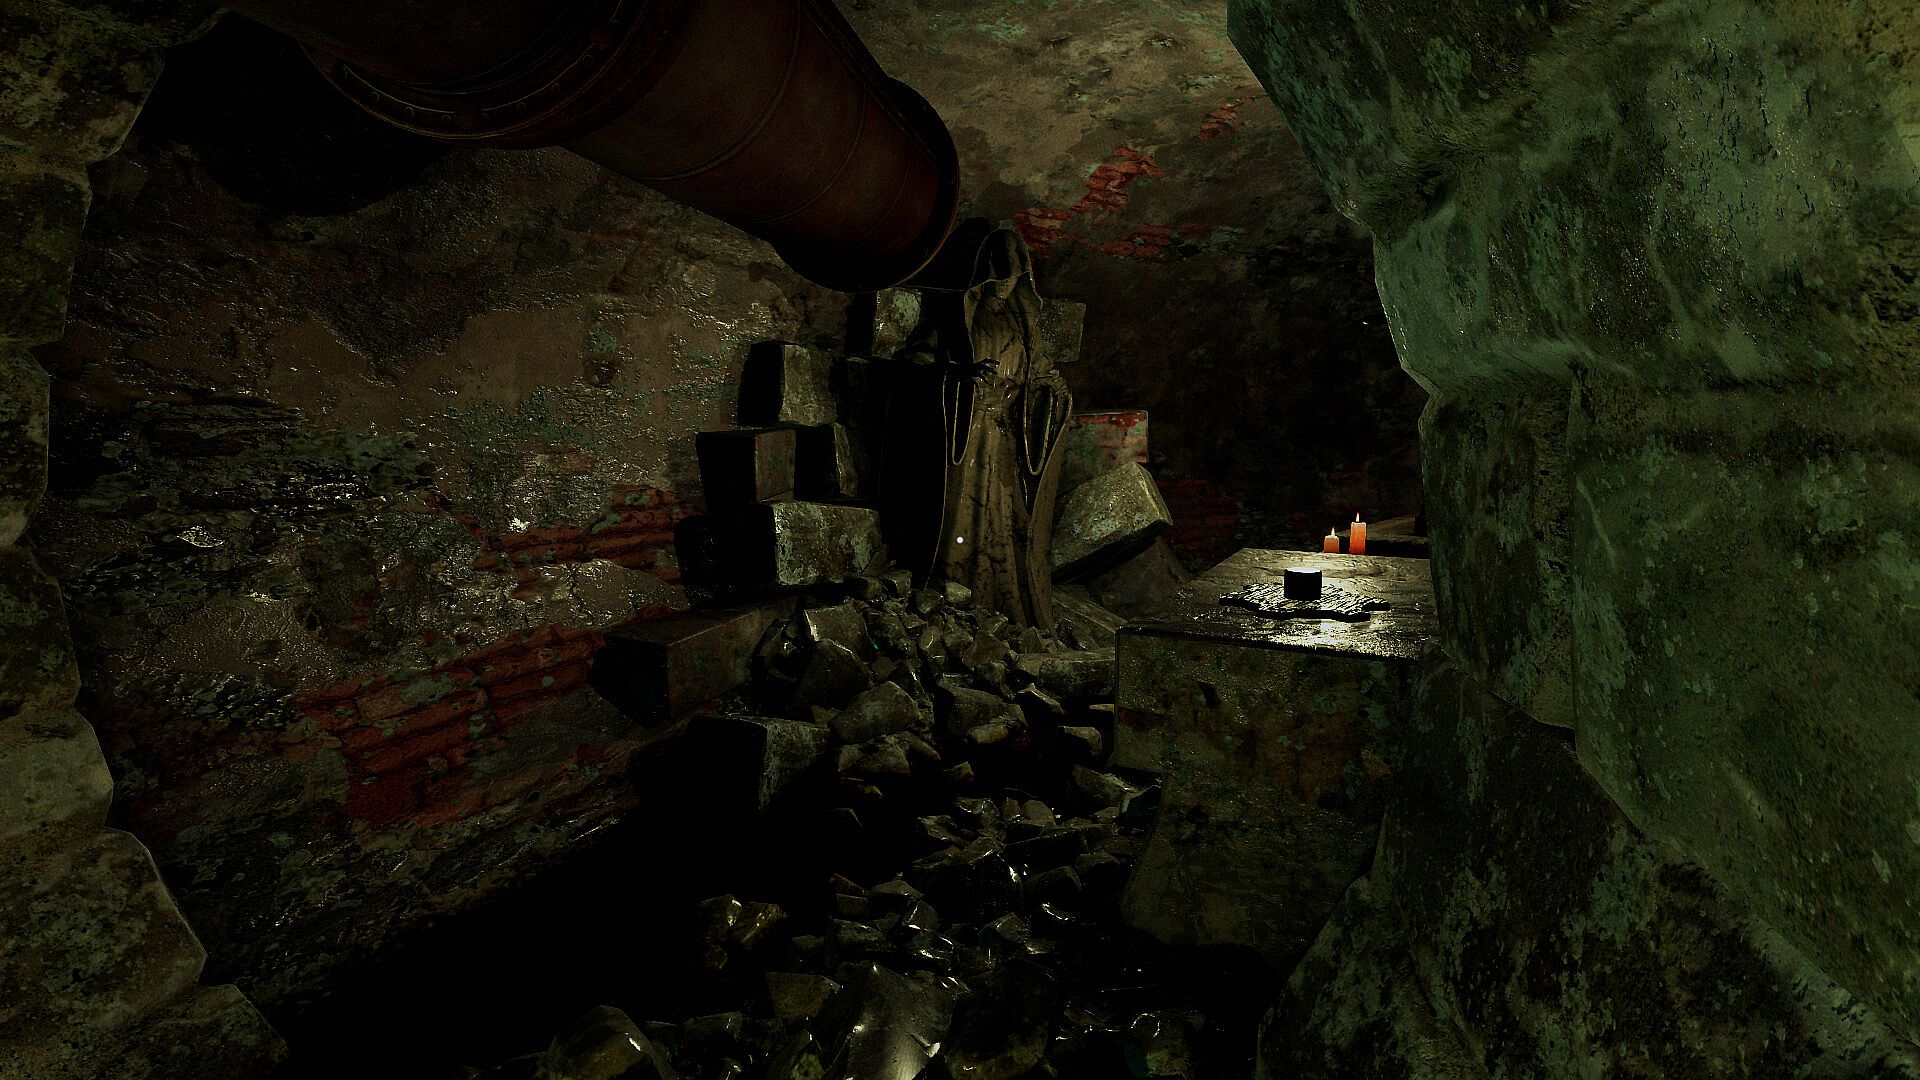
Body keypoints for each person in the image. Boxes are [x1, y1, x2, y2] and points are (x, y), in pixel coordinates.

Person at [881, 226, 1072, 630]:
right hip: (966, 433)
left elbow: (1041, 371)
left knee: (1001, 517)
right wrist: (956, 378)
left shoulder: (1023, 324)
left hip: (1005, 437)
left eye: (1013, 278)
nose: (1004, 286)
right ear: (984, 273)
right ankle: (953, 597)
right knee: (961, 513)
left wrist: (1052, 390)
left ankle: (997, 600)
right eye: (999, 276)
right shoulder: (958, 315)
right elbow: (916, 361)